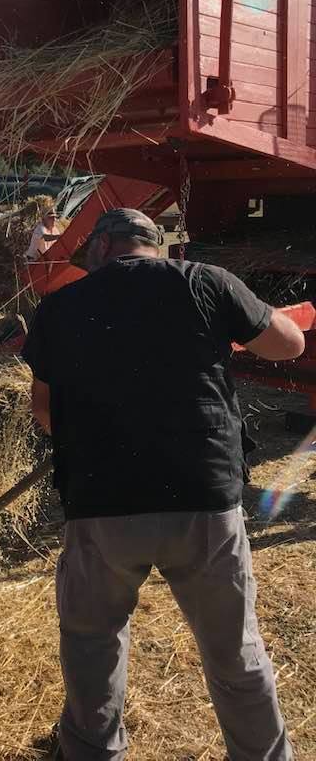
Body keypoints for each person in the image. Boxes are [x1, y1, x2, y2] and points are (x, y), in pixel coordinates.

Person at [22, 208, 304, 761]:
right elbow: (288, 344)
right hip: (202, 496)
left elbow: (44, 411)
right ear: (155, 245)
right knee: (234, 651)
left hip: (101, 499)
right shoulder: (205, 281)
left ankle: (92, 752)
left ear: (103, 247)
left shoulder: (60, 305)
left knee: (92, 643)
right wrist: (247, 320)